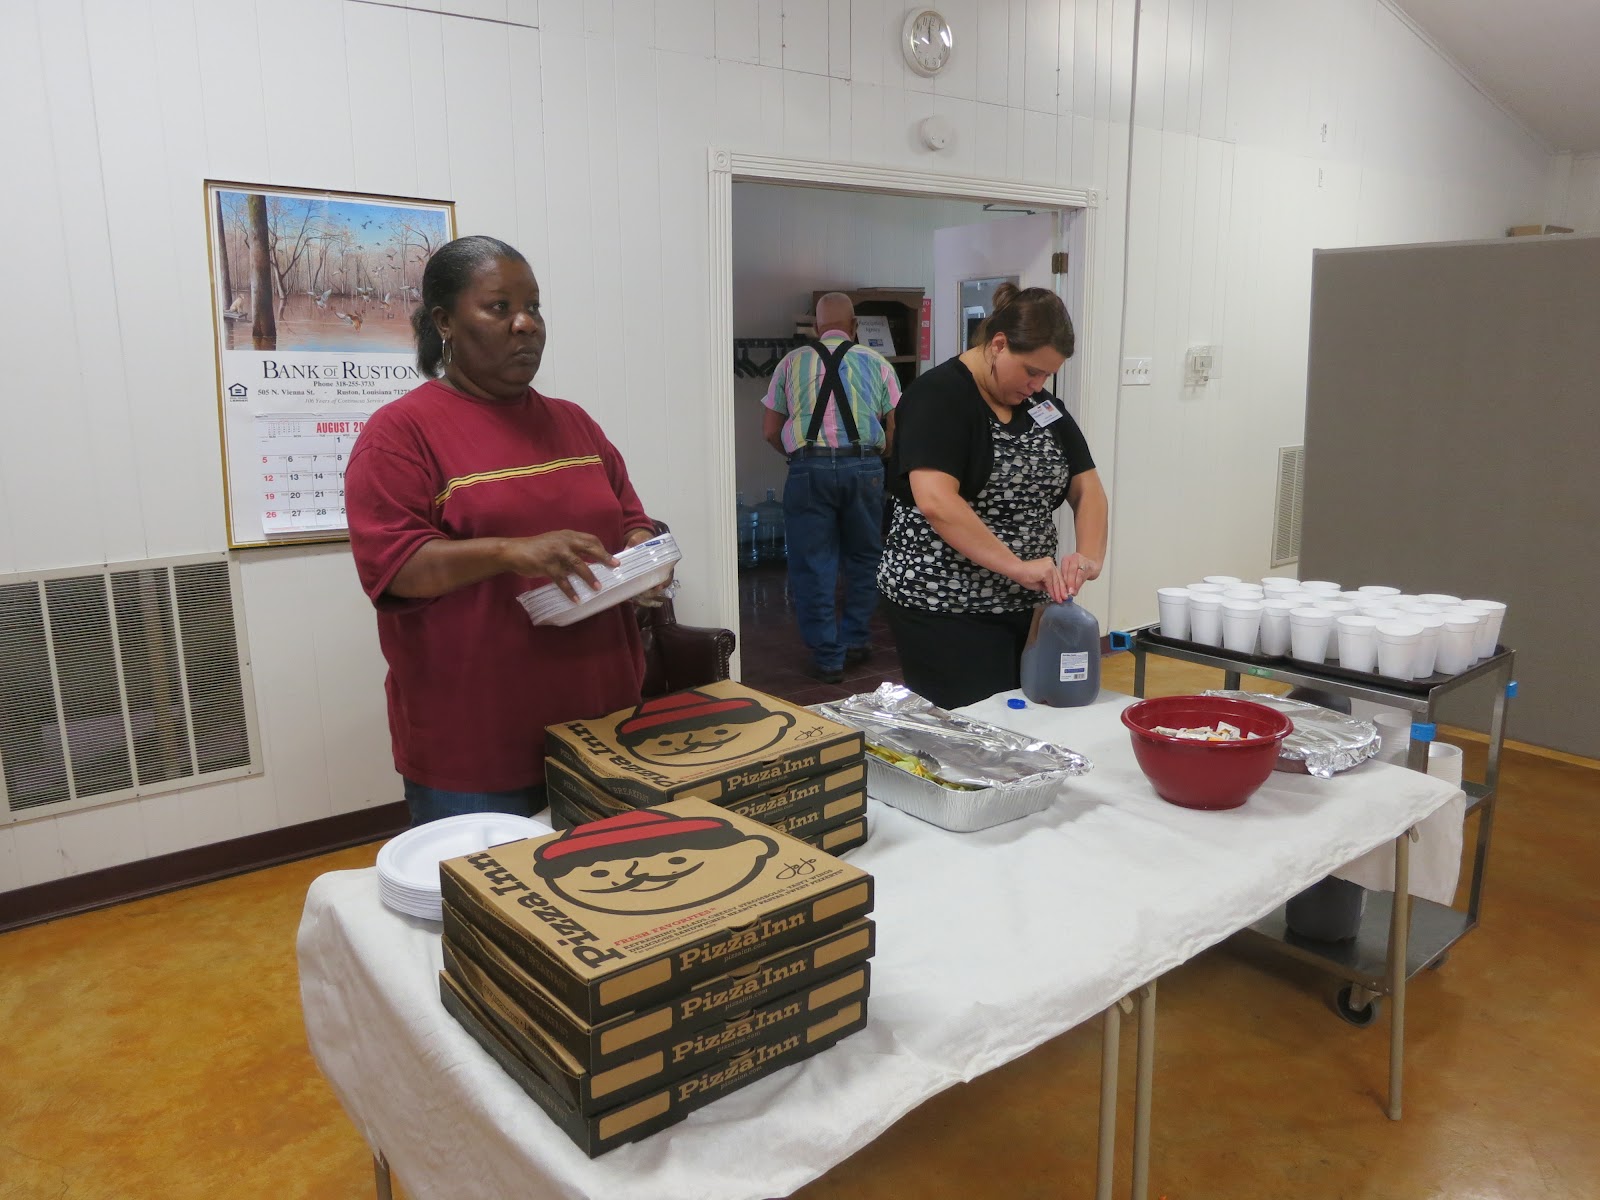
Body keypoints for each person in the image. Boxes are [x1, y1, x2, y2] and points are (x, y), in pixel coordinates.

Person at [345, 235, 669, 827]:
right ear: (444, 321)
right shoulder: (399, 434)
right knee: (492, 916)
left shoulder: (574, 423)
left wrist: (643, 554)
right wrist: (512, 552)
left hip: (603, 729)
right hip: (476, 749)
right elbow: (396, 568)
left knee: (610, 900)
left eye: (535, 307)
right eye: (500, 308)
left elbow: (629, 517)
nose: (526, 325)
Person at [878, 284, 1108, 710]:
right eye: (1031, 371)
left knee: (1026, 722)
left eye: (1047, 375)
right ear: (998, 344)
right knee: (975, 730)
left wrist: (1089, 556)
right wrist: (1015, 566)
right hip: (944, 606)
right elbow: (936, 501)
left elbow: (1087, 486)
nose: (1037, 385)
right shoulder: (939, 396)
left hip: (1026, 607)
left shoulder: (1043, 407)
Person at [761, 293, 901, 683]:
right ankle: (856, 639)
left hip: (810, 469)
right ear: (854, 325)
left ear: (816, 327)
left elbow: (770, 430)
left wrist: (799, 456)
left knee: (813, 563)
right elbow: (894, 427)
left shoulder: (790, 363)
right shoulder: (877, 362)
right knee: (864, 559)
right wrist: (878, 455)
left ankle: (827, 656)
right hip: (865, 467)